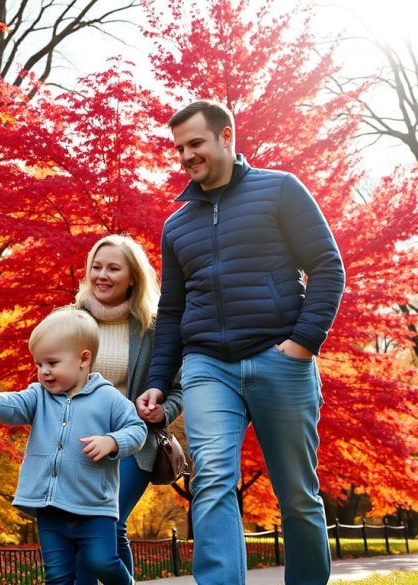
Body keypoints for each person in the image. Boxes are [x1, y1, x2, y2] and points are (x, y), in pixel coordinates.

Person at [137, 100, 345, 585]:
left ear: (226, 136)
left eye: (196, 144)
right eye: (179, 148)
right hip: (208, 366)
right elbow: (170, 313)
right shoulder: (177, 224)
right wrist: (160, 383)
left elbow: (327, 267)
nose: (186, 156)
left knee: (296, 492)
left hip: (281, 359)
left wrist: (301, 345)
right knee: (211, 479)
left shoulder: (280, 191)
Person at [0, 307, 147, 585]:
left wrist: (112, 441)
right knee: (58, 576)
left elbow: (137, 430)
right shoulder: (38, 396)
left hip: (93, 507)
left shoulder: (109, 398)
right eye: (39, 365)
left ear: (83, 359)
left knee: (102, 562)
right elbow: (12, 404)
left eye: (52, 363)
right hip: (49, 507)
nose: (44, 372)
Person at [72, 235, 183, 585]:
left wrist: (161, 412)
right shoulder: (71, 322)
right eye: (96, 267)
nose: (102, 275)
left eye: (113, 268)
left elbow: (178, 390)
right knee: (94, 529)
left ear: (133, 276)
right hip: (79, 444)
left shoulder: (153, 329)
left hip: (134, 443)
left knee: (104, 522)